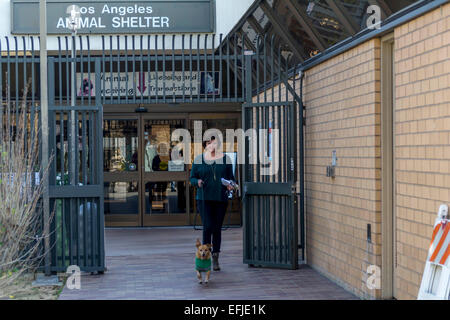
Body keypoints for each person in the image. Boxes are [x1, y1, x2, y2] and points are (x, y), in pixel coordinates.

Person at [189, 136, 234, 271]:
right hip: (204, 198)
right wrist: (197, 182)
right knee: (208, 226)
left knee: (217, 228)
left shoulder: (226, 159)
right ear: (205, 145)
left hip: (220, 198)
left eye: (214, 143)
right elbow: (192, 178)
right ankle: (205, 257)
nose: (211, 145)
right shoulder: (198, 159)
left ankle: (215, 258)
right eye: (208, 143)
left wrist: (230, 185)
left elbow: (231, 178)